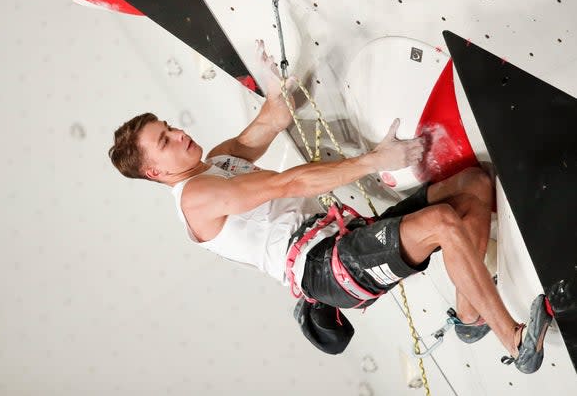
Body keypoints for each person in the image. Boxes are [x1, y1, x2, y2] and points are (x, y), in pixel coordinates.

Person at [108, 41, 553, 374]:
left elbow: (269, 122)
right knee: (441, 222)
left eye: (169, 126)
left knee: (472, 185)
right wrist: (374, 161)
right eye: (165, 141)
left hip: (343, 241)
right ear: (155, 173)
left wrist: (272, 75)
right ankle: (517, 344)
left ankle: (472, 314)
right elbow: (291, 180)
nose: (180, 134)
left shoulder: (216, 162)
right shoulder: (196, 197)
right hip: (323, 269)